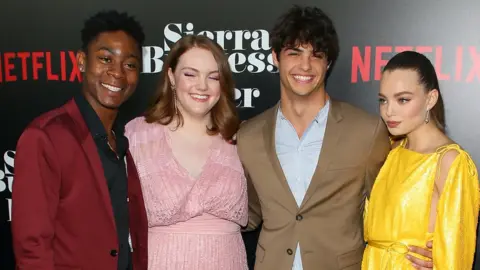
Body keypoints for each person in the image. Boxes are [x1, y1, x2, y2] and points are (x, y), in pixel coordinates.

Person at [236, 5, 435, 270]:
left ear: (328, 63)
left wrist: (426, 243)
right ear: (275, 57)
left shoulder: (366, 130)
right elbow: (247, 212)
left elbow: (391, 202)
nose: (305, 65)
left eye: (316, 55)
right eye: (294, 53)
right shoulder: (248, 135)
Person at [11, 10, 148, 270]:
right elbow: (32, 249)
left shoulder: (124, 140)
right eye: (106, 59)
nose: (117, 73)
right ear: (82, 61)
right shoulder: (45, 137)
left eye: (130, 64)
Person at [125, 35, 248, 270]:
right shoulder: (136, 135)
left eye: (213, 77)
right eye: (190, 74)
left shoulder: (241, 138)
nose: (202, 86)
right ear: (171, 76)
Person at [362, 51, 479, 269]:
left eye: (403, 99)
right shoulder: (391, 151)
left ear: (430, 99)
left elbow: (456, 255)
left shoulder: (450, 161)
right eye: (383, 100)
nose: (389, 111)